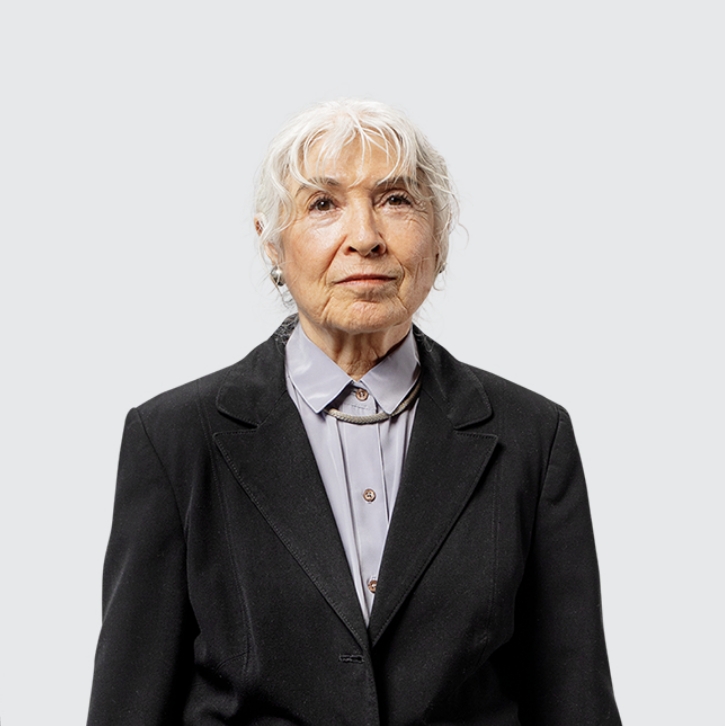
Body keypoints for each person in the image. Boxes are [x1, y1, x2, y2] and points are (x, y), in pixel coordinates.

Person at [87, 99, 622, 725]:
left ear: (440, 236)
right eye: (323, 204)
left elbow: (576, 701)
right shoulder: (174, 440)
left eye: (396, 200)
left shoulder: (532, 437)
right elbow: (128, 705)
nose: (365, 237)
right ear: (271, 242)